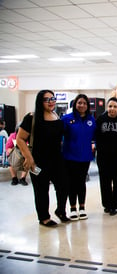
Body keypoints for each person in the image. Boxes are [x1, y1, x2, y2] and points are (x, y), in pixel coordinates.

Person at [16, 90, 69, 227]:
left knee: (63, 186)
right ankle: (44, 217)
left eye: (52, 98)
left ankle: (61, 211)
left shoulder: (56, 115)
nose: (51, 102)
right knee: (41, 190)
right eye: (47, 99)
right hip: (38, 160)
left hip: (57, 159)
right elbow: (20, 139)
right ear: (40, 101)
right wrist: (29, 157)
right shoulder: (31, 117)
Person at [62, 94, 96, 221]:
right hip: (70, 157)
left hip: (85, 157)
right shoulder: (66, 119)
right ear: (75, 104)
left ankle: (82, 207)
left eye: (84, 103)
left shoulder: (91, 120)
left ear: (87, 106)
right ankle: (72, 208)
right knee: (72, 183)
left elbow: (95, 136)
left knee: (81, 182)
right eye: (79, 103)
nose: (81, 105)